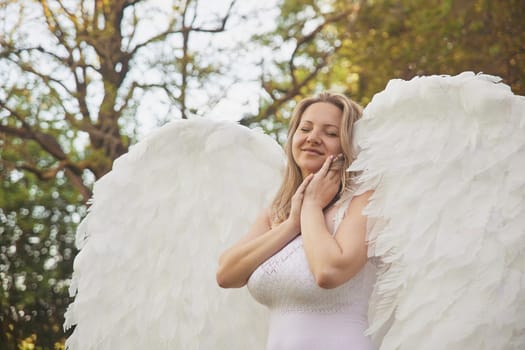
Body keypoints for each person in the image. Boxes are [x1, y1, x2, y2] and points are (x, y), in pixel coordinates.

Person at [216, 92, 377, 349]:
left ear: (349, 145)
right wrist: (292, 224)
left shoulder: (364, 201)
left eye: (331, 133)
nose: (313, 138)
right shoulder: (278, 212)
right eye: (305, 128)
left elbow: (328, 271)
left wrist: (312, 207)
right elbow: (227, 274)